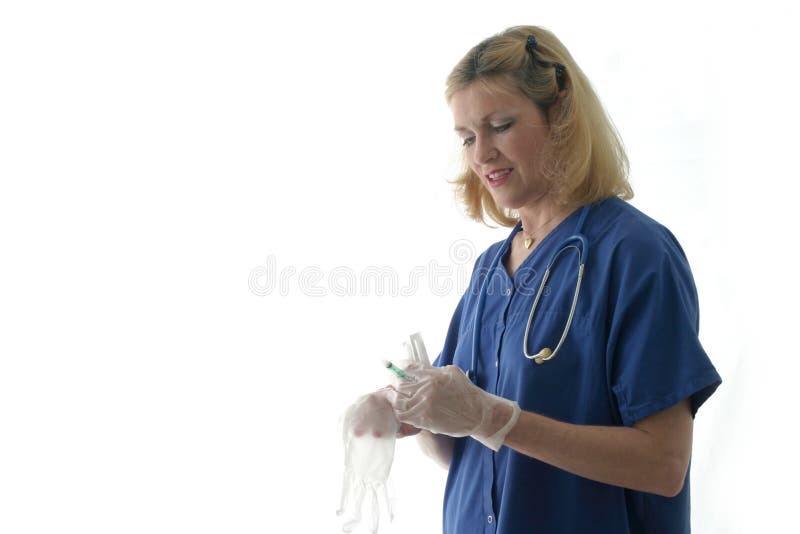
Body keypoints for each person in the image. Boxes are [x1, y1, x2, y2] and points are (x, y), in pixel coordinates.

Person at [382, 25, 722, 533]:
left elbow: (663, 464)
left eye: (500, 125)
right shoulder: (491, 270)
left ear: (560, 113)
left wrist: (495, 419)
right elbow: (477, 457)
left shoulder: (634, 254)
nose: (481, 155)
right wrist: (407, 410)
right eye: (468, 138)